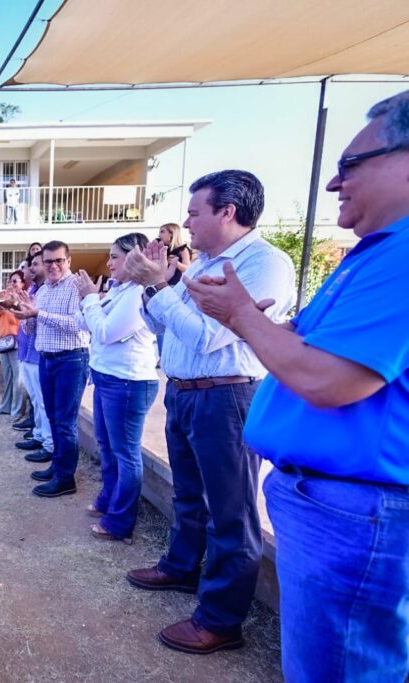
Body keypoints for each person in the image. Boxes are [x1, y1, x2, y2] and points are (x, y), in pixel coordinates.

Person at [184, 92, 409, 679]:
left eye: (350, 165)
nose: (335, 184)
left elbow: (328, 378)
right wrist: (257, 323)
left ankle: (218, 615)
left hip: (356, 510)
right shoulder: (378, 254)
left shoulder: (402, 257)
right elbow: (319, 351)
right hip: (335, 503)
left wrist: (241, 317)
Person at [122, 169, 295, 655]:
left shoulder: (263, 265)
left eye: (195, 212)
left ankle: (220, 619)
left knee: (230, 512)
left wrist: (160, 289)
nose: (186, 223)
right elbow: (164, 325)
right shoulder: (203, 265)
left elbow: (204, 336)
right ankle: (180, 568)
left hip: (225, 397)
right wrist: (155, 289)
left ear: (228, 211)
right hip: (184, 391)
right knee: (191, 495)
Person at [72, 233, 159, 544]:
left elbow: (107, 333)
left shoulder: (138, 294)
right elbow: (87, 326)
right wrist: (88, 300)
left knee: (125, 453)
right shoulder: (118, 291)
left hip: (128, 381)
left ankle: (120, 522)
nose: (108, 263)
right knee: (107, 447)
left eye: (114, 257)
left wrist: (91, 301)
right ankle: (109, 500)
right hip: (108, 377)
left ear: (134, 258)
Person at [13, 240, 90, 498]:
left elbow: (77, 325)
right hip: (47, 359)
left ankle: (66, 479)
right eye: (48, 262)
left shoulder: (75, 287)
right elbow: (34, 330)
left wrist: (38, 314)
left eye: (59, 260)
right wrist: (24, 314)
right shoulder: (44, 290)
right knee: (54, 418)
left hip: (71, 360)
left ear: (69, 261)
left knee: (65, 422)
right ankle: (58, 467)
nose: (53, 265)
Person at [14, 253, 54, 462]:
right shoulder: (32, 290)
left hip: (40, 354)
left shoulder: (48, 291)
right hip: (27, 352)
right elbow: (28, 326)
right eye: (32, 265)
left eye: (37, 264)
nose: (32, 269)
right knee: (37, 401)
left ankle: (48, 444)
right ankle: (39, 435)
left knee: (44, 402)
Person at [0, 271, 25, 418]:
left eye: (15, 281)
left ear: (22, 283)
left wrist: (10, 308)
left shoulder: (22, 300)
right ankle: (5, 406)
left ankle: (17, 411)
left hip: (16, 342)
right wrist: (0, 309)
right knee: (8, 377)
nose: (12, 284)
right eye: (10, 281)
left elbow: (16, 321)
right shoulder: (4, 297)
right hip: (4, 342)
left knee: (18, 379)